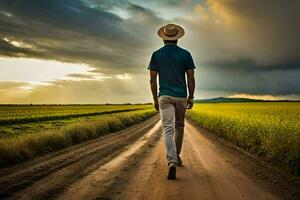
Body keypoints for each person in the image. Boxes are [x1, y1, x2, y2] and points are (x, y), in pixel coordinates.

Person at [147, 24, 196, 179]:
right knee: (179, 126)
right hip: (181, 96)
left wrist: (155, 99)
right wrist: (191, 96)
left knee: (168, 129)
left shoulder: (156, 54)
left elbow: (152, 81)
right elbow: (191, 78)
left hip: (164, 96)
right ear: (177, 38)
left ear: (163, 38)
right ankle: (177, 157)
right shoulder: (186, 54)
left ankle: (172, 161)